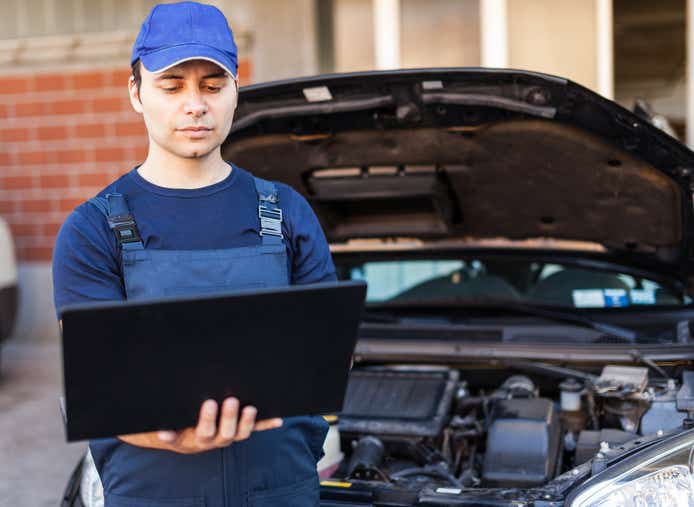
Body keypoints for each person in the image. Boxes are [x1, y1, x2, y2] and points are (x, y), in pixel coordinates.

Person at [52, 2, 336, 506]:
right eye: (171, 85)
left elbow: (329, 357)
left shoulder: (287, 213)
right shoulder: (92, 230)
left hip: (281, 490)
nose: (195, 104)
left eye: (211, 85)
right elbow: (98, 388)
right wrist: (178, 437)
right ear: (136, 93)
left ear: (235, 92)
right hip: (154, 494)